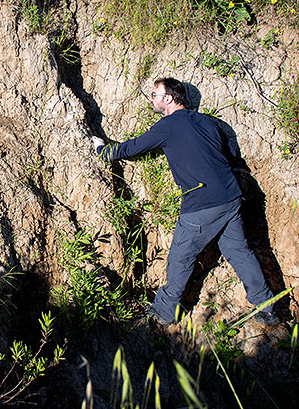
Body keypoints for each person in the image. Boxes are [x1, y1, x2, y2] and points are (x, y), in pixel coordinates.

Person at [91, 77, 278, 326]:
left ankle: (164, 311)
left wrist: (103, 150)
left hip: (202, 203)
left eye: (154, 94)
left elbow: (133, 147)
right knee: (239, 252)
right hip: (230, 196)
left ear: (168, 99)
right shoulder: (208, 122)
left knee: (180, 256)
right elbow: (230, 148)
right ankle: (266, 306)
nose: (151, 99)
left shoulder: (167, 126)